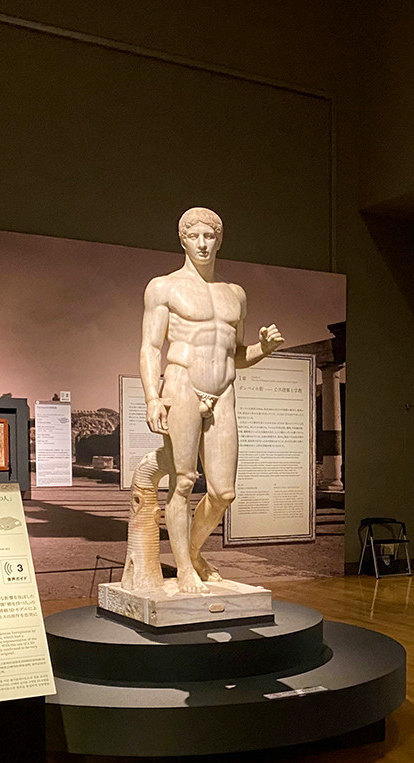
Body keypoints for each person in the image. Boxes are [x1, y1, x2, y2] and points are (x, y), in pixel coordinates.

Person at [140, 207, 283, 594]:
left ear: (219, 240)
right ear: (183, 239)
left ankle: (191, 551)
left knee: (223, 493)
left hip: (224, 392)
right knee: (184, 481)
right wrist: (153, 397)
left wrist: (263, 349)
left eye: (210, 237)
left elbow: (236, 353)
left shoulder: (234, 294)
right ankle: (185, 569)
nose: (203, 244)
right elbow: (152, 348)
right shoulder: (163, 287)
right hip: (183, 384)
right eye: (195, 237)